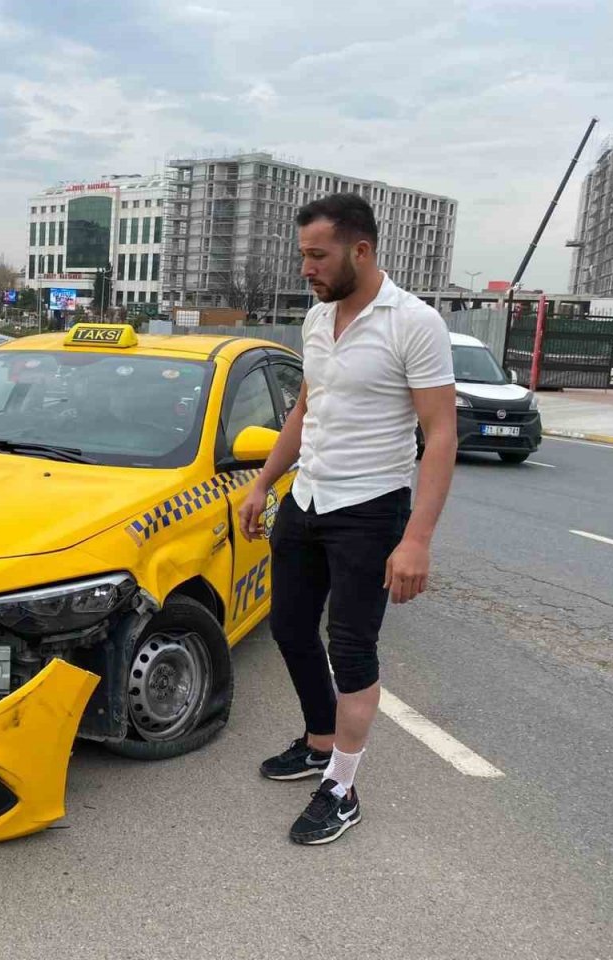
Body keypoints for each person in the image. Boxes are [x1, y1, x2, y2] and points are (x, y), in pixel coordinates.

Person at [237, 193, 457, 846]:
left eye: (316, 254)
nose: (306, 267)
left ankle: (342, 786)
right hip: (306, 499)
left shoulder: (412, 323)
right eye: (302, 254)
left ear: (359, 250)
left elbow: (441, 434)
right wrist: (263, 484)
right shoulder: (315, 318)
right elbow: (306, 410)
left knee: (353, 648)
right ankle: (317, 739)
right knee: (290, 627)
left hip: (369, 509)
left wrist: (417, 538)